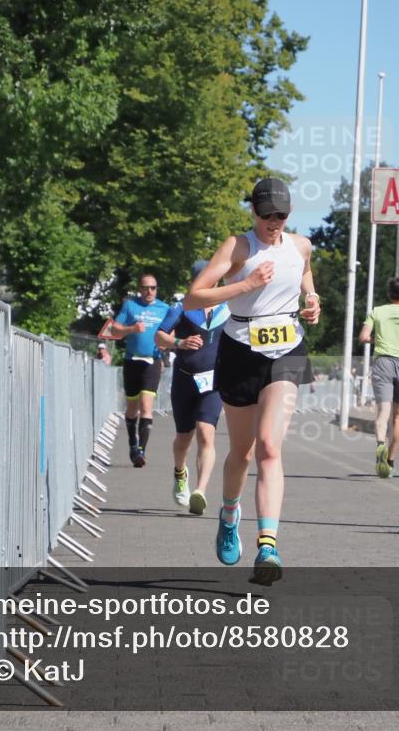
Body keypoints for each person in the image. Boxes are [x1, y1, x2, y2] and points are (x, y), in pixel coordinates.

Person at [184, 177, 319, 585]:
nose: (274, 223)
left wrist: (312, 302)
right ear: (254, 213)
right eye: (267, 216)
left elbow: (305, 276)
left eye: (281, 215)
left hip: (287, 350)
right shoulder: (237, 247)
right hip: (241, 351)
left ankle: (268, 545)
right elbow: (194, 297)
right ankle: (229, 513)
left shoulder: (301, 245)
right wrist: (245, 284)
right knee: (240, 453)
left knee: (270, 446)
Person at [155, 261, 229, 514]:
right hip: (185, 379)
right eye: (207, 279)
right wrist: (179, 342)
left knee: (206, 433)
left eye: (216, 279)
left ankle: (201, 491)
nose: (213, 284)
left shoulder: (229, 309)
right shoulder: (183, 307)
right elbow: (159, 336)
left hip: (214, 381)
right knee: (184, 437)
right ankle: (179, 473)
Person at [358, 277, 399, 478]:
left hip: (383, 362)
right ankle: (391, 461)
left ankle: (380, 444)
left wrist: (375, 338)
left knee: (382, 412)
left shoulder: (377, 311)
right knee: (397, 416)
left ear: (389, 294)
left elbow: (363, 337)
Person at [111, 274, 170, 467]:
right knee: (132, 408)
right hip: (131, 361)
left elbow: (173, 331)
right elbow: (115, 330)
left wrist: (165, 344)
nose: (149, 291)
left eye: (153, 288)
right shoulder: (130, 306)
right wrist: (132, 329)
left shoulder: (164, 308)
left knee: (147, 406)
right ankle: (132, 442)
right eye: (146, 288)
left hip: (152, 361)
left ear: (157, 289)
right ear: (139, 289)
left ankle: (141, 451)